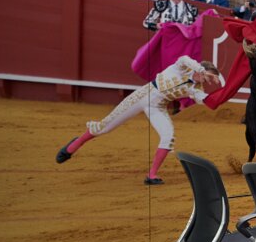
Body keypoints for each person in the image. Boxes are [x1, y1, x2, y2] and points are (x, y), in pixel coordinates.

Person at [55, 57, 221, 185]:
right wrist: (200, 68)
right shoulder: (183, 66)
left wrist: (224, 92)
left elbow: (205, 99)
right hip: (142, 95)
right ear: (201, 70)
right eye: (206, 77)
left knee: (168, 136)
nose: (206, 81)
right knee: (104, 128)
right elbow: (185, 58)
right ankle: (72, 147)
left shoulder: (196, 88)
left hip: (158, 107)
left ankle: (152, 175)